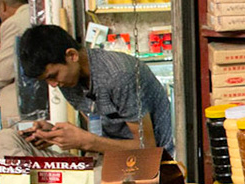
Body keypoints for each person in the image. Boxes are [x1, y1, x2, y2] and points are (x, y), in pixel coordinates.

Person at [18, 24, 174, 153]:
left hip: (154, 161)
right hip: (113, 157)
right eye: (46, 80)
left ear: (72, 56)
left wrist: (85, 142)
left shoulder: (118, 75)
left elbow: (146, 147)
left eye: (53, 75)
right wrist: (53, 135)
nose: (52, 84)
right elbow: (97, 133)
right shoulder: (68, 80)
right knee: (7, 139)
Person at [0, 0, 41, 125]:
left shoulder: (12, 23)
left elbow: (4, 73)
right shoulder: (37, 13)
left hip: (25, 99)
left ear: (3, 6)